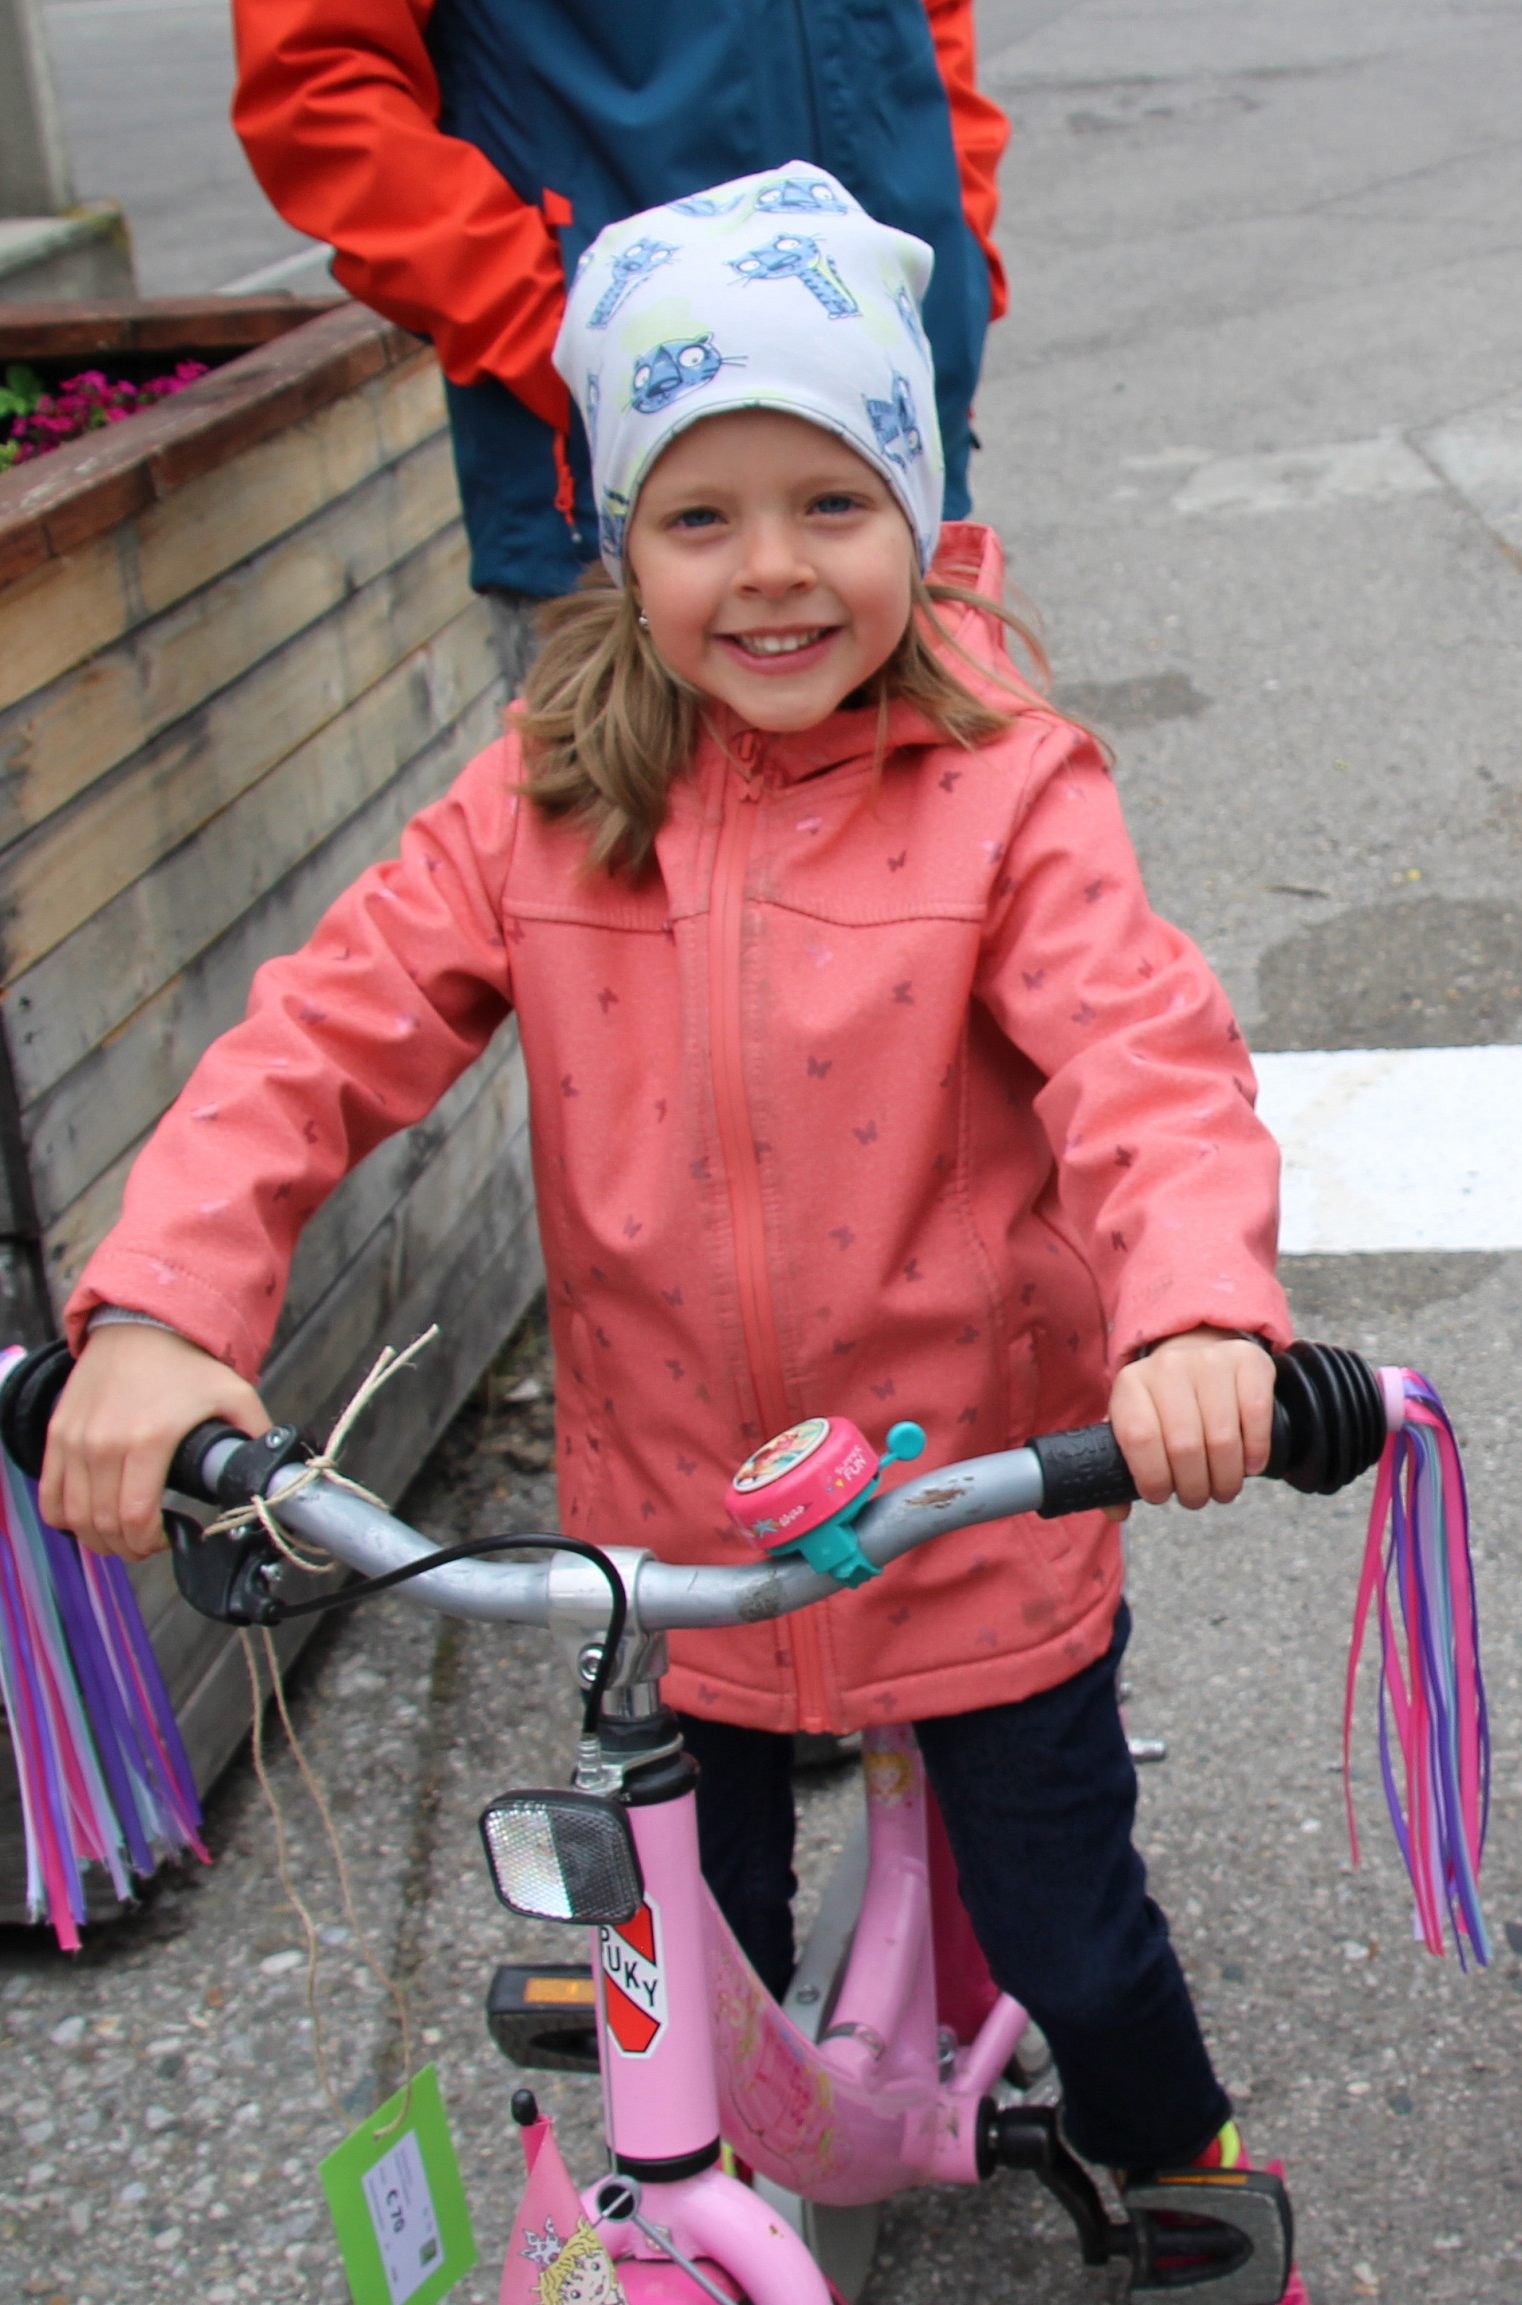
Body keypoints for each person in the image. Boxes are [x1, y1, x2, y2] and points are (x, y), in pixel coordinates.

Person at [43, 169, 1299, 2285]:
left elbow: (1144, 1063)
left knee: (1075, 1922)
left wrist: (1191, 1315)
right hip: (666, 1534)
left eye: (831, 501)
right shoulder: (542, 789)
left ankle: (1183, 2149)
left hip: (969, 1506)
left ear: (919, 495)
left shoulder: (1009, 795)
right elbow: (317, 1039)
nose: (772, 572)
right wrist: (166, 1301)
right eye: (699, 517)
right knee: (677, 1956)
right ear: (618, 539)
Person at [230, 0, 1009, 613]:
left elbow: (931, 27)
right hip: (626, 504)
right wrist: (574, 341)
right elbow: (317, 86)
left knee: (954, 805)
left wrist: (952, 257)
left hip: (895, 441)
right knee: (633, 811)